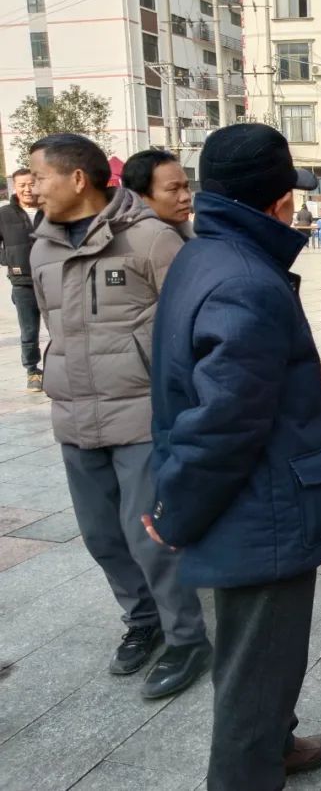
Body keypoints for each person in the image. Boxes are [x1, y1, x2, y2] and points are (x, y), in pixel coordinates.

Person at [144, 122, 321, 789]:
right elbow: (224, 423)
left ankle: (277, 742)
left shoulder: (203, 254)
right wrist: (175, 512)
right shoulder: (245, 280)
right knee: (255, 671)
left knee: (261, 661)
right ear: (280, 201)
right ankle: (249, 769)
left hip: (248, 503)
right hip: (260, 513)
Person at [28, 133, 210, 699]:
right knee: (101, 536)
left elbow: (191, 328)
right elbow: (55, 329)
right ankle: (142, 620)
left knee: (150, 535)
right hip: (75, 417)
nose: (32, 187)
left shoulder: (151, 239)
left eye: (40, 176)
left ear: (77, 179)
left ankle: (187, 639)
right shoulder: (41, 248)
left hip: (140, 418)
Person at [0, 168, 44, 391]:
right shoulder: (4, 214)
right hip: (22, 282)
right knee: (29, 330)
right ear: (15, 188)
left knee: (61, 328)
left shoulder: (51, 210)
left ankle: (62, 368)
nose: (27, 189)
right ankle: (33, 371)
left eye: (31, 184)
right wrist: (8, 259)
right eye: (22, 185)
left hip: (52, 280)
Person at [121, 149, 193, 236]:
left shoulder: (194, 233)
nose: (186, 197)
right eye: (173, 189)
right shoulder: (134, 239)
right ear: (139, 196)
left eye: (186, 186)